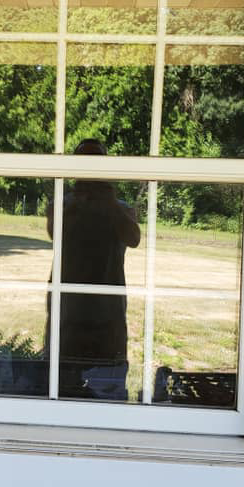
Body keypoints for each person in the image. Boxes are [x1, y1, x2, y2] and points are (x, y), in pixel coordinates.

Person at [45, 139, 141, 400]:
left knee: (109, 388)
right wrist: (79, 202)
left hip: (107, 314)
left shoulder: (121, 208)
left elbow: (134, 238)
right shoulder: (61, 205)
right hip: (67, 311)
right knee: (59, 385)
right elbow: (56, 232)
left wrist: (108, 202)